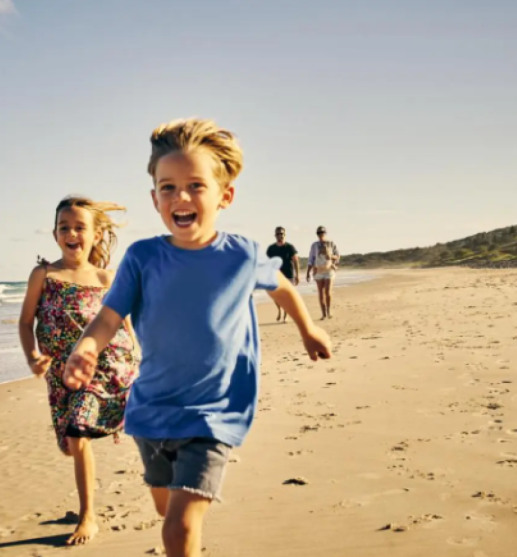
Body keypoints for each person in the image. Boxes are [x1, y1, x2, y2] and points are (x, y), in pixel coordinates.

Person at [61, 119, 333, 557]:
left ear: (225, 195)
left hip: (214, 413)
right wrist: (87, 347)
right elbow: (110, 315)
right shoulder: (143, 257)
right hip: (151, 412)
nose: (180, 197)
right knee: (165, 509)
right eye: (167, 188)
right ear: (154, 199)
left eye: (195, 186)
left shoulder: (241, 254)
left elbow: (281, 284)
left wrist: (308, 328)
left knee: (179, 530)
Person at [17, 195, 139, 546]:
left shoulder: (105, 277)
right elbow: (26, 323)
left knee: (77, 432)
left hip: (108, 366)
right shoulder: (44, 274)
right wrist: (33, 356)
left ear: (97, 234)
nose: (72, 233)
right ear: (55, 234)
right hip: (62, 375)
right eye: (64, 227)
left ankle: (89, 516)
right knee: (70, 444)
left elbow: (125, 325)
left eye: (80, 227)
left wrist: (141, 357)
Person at [305, 226, 340, 319]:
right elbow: (311, 259)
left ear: (325, 233)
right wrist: (308, 273)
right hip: (318, 270)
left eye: (322, 233)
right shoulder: (314, 245)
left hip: (329, 270)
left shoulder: (331, 243)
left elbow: (337, 256)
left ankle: (329, 311)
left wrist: (330, 255)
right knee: (321, 293)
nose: (321, 235)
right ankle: (323, 314)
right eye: (319, 233)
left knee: (328, 292)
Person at [266, 226, 300, 322]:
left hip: (289, 275)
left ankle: (286, 315)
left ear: (284, 235)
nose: (279, 235)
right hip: (276, 276)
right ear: (275, 235)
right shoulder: (271, 248)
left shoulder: (290, 247)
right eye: (278, 234)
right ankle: (280, 309)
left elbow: (296, 261)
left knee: (287, 297)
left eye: (281, 233)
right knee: (276, 296)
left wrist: (297, 275)